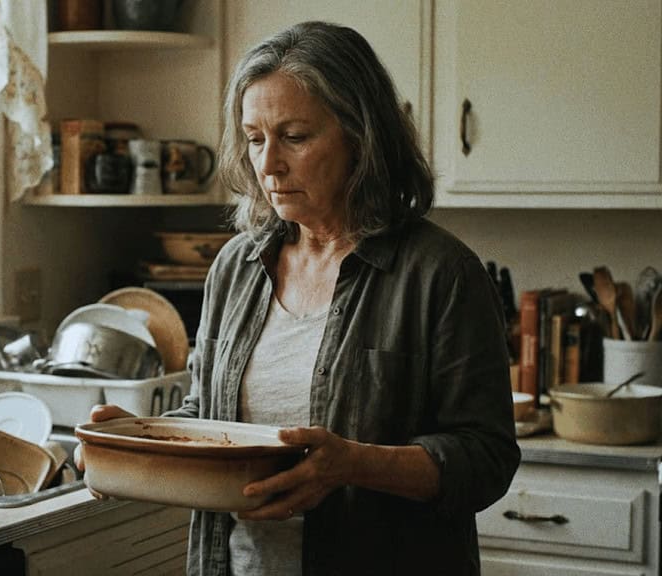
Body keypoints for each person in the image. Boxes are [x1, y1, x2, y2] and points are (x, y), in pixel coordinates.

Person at [79, 20, 519, 575]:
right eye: (255, 139)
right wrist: (135, 445)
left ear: (362, 136)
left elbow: (487, 458)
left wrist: (353, 464)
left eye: (295, 136)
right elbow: (213, 419)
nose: (268, 165)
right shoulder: (235, 268)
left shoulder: (441, 274)